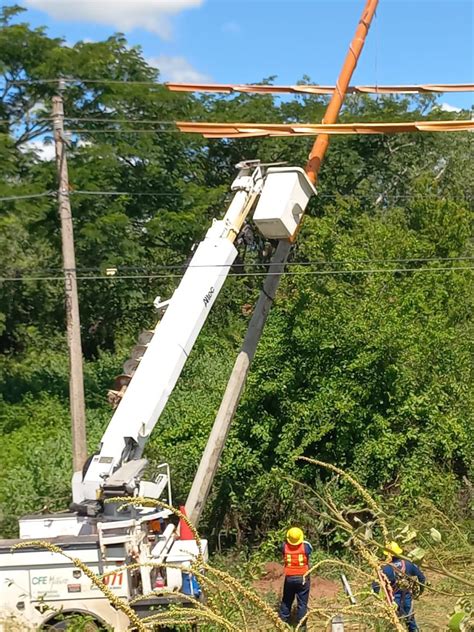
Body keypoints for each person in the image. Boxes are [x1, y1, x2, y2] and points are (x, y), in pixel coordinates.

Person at [373, 541, 426, 632]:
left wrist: (381, 599)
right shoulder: (408, 564)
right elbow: (422, 578)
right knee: (410, 621)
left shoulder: (384, 568)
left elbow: (375, 586)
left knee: (393, 624)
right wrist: (419, 592)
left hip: (392, 600)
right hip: (407, 598)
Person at [278, 527, 313, 630]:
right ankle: (301, 626)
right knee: (302, 603)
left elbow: (283, 547)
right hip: (303, 577)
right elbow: (310, 549)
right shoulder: (306, 546)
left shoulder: (284, 546)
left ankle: (283, 622)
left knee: (287, 600)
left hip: (289, 577)